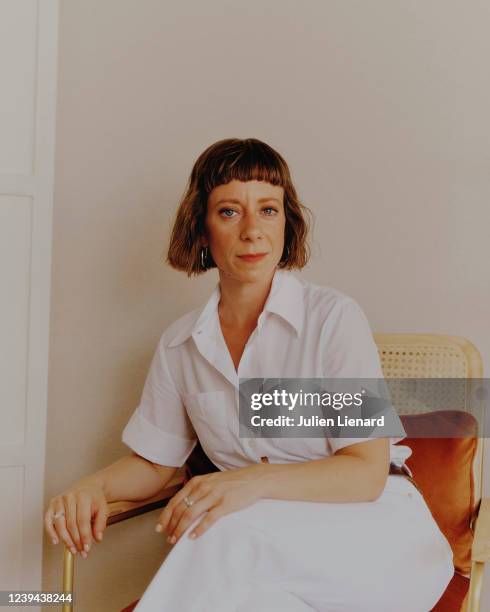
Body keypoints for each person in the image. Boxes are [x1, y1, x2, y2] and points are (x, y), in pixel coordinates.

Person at [45, 138, 454, 611]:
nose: (252, 232)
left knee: (223, 534)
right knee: (239, 567)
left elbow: (365, 473)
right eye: (229, 212)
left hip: (371, 533)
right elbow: (157, 464)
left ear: (287, 223)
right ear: (201, 229)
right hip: (259, 542)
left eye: (268, 210)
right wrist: (90, 487)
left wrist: (249, 483)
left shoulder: (333, 319)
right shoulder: (181, 345)